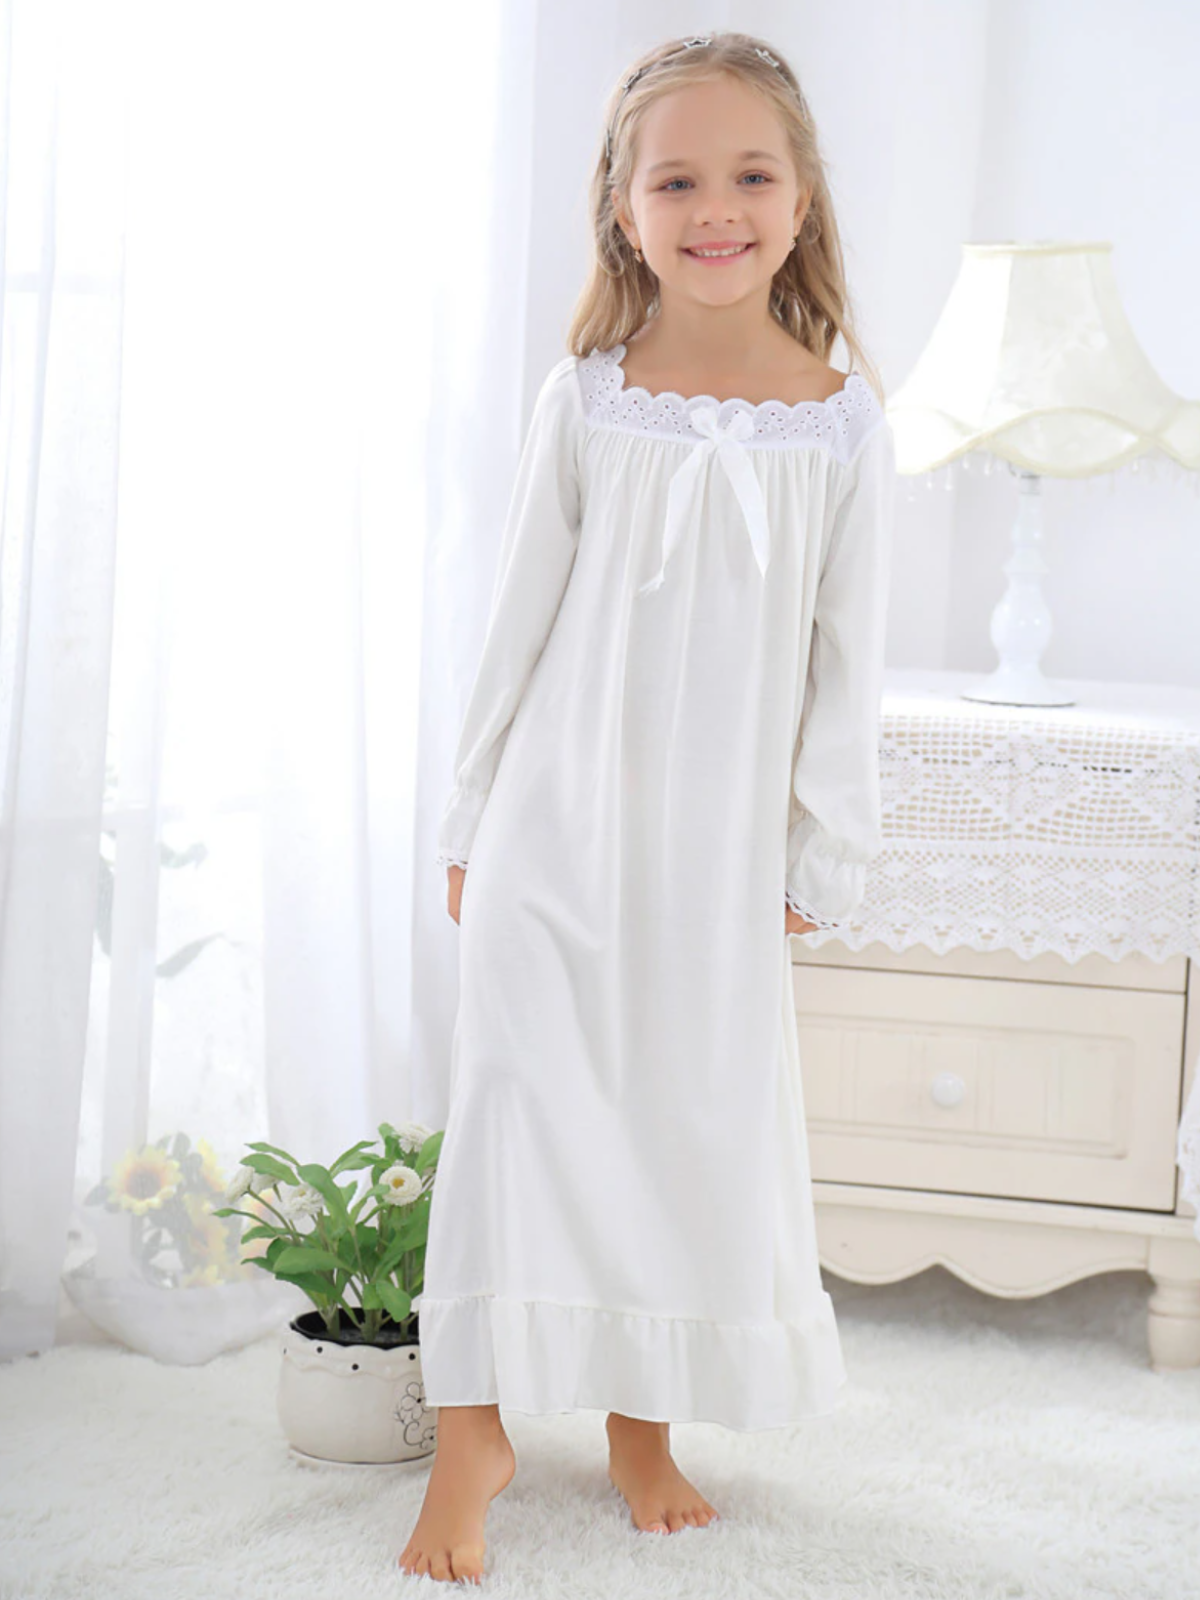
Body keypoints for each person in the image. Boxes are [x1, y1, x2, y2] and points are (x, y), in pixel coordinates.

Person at [399, 30, 896, 1586]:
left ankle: (641, 1421)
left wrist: (824, 842)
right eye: (675, 181)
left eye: (749, 175)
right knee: (515, 1107)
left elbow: (849, 662)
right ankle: (472, 1424)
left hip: (714, 858)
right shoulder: (590, 401)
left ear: (802, 200)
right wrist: (473, 813)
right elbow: (514, 623)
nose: (714, 209)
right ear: (624, 209)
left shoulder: (841, 423)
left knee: (683, 1121)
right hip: (553, 826)